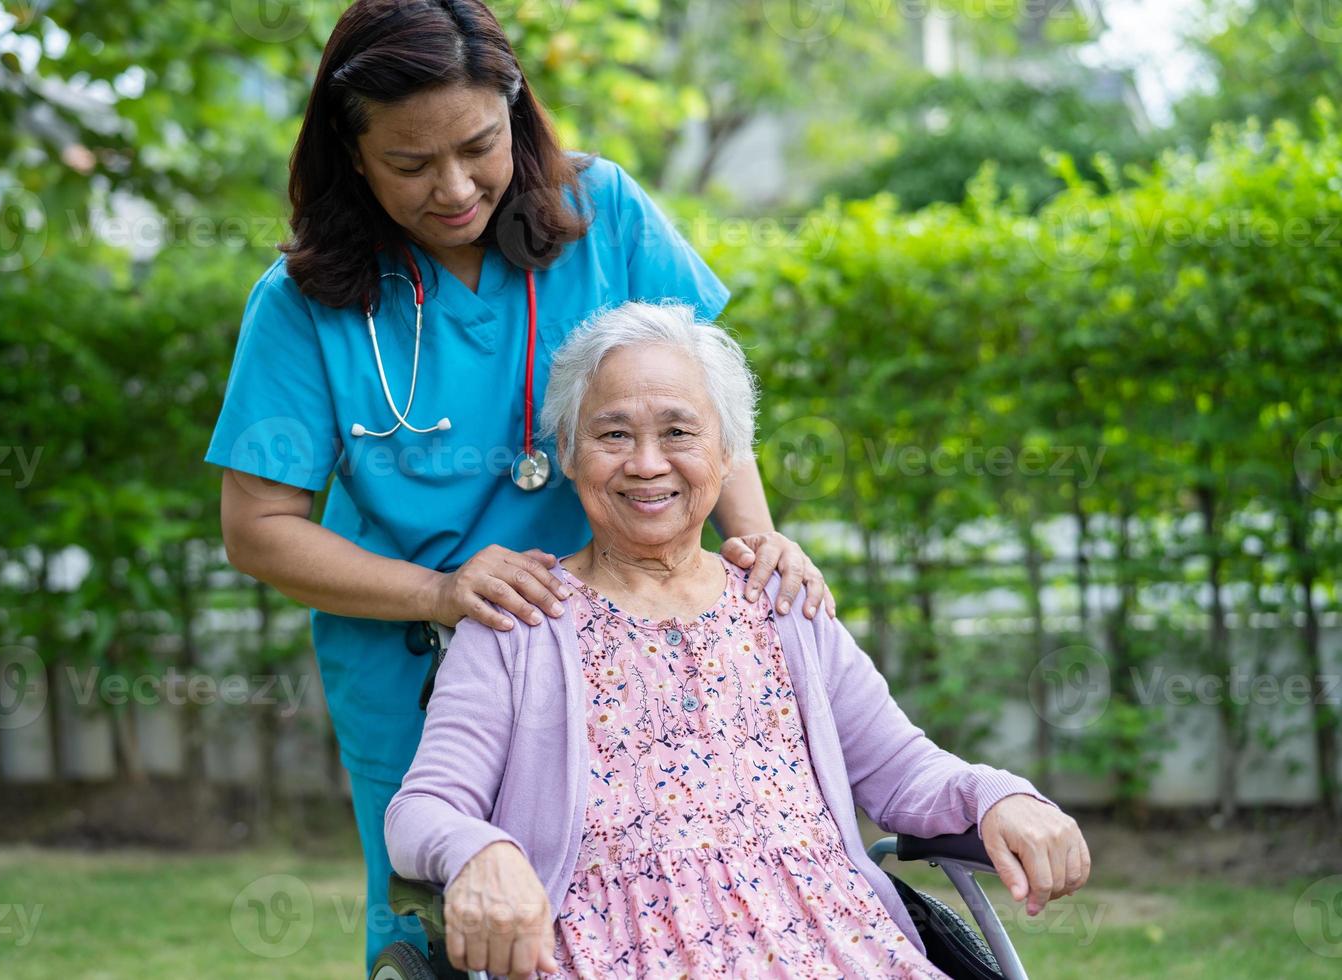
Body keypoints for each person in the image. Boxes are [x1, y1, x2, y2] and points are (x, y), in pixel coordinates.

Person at [203, 1, 834, 968]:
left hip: (617, 651)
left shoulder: (607, 213)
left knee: (664, 905)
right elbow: (259, 528)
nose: (455, 188)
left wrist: (756, 545)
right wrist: (443, 592)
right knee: (449, 921)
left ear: (518, 114)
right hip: (414, 665)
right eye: (410, 165)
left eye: (478, 146)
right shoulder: (302, 301)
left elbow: (698, 400)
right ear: (352, 153)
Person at [386, 302, 1091, 980]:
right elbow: (424, 808)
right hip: (611, 954)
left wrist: (999, 796)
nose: (647, 463)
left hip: (838, 945)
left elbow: (904, 771)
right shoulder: (520, 621)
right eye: (612, 435)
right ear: (568, 454)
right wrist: (480, 850)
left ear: (727, 455)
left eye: (679, 433)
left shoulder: (782, 600)